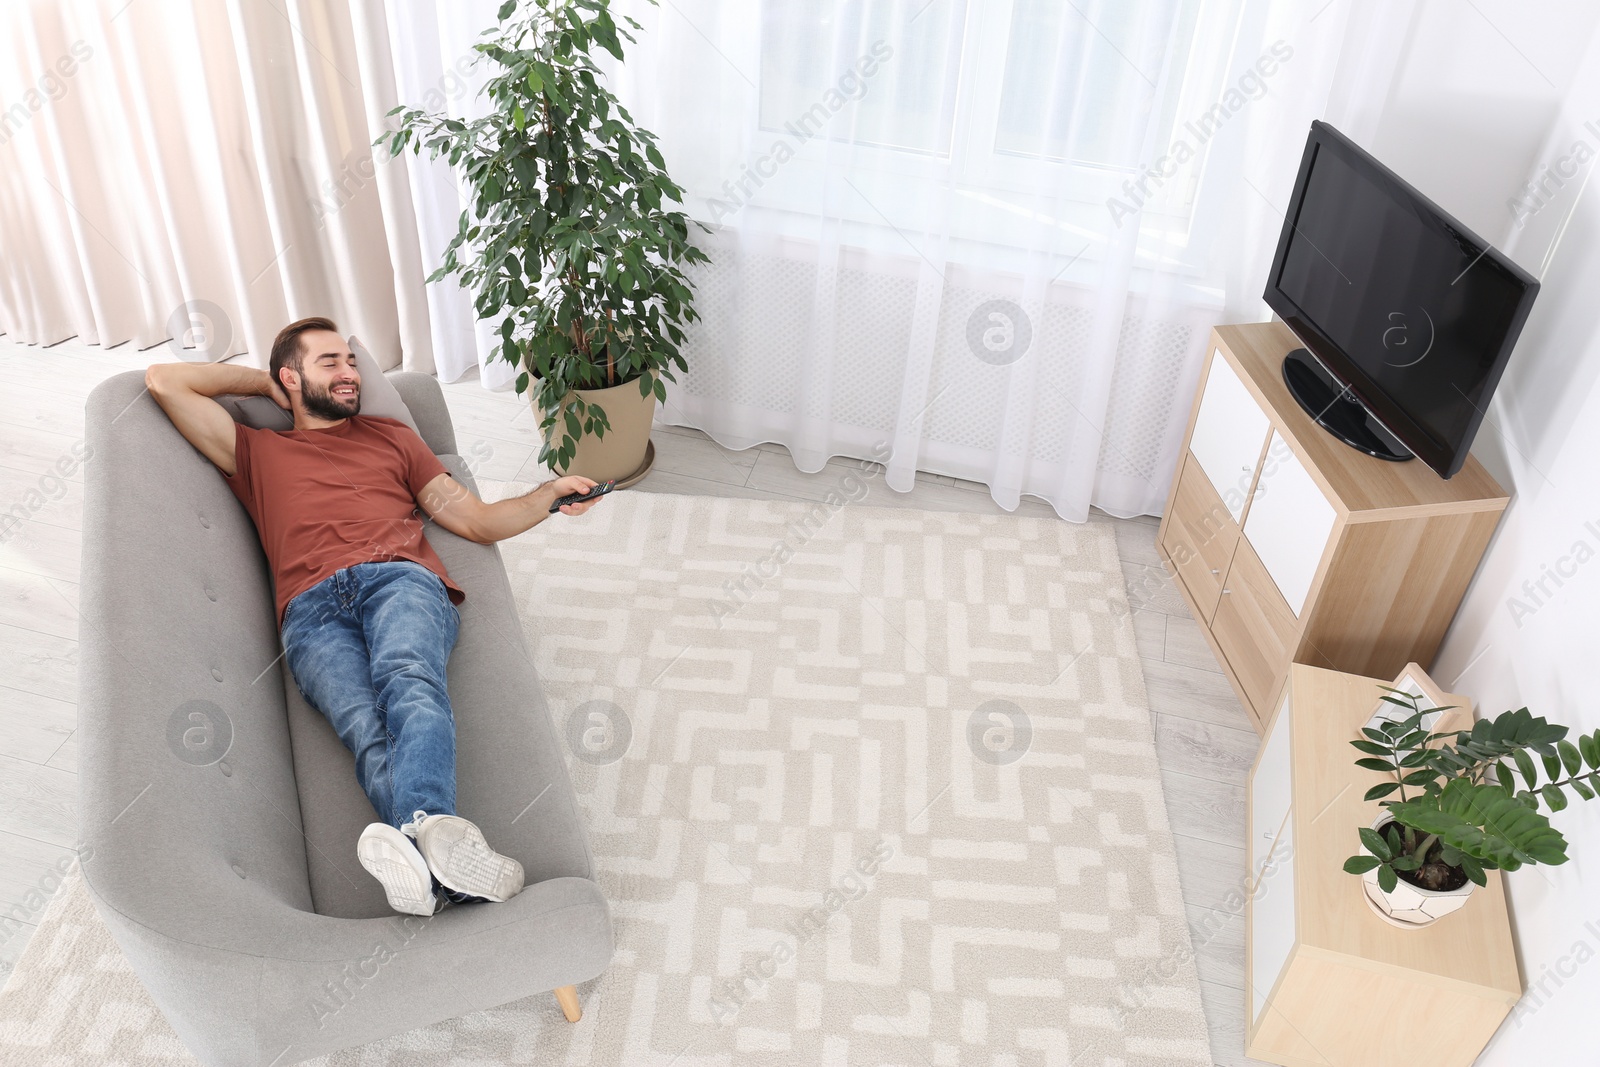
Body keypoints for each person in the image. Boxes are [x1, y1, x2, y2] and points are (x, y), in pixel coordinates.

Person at [145, 315, 604, 916]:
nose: (349, 372)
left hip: (399, 577)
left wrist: (546, 495)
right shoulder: (253, 449)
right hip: (307, 609)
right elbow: (163, 380)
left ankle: (426, 843)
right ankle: (440, 865)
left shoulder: (392, 439)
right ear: (291, 376)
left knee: (407, 682)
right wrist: (263, 386)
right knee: (365, 728)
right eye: (329, 361)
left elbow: (475, 520)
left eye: (352, 362)